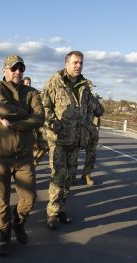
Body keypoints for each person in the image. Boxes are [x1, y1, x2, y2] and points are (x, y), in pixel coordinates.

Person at [0, 55, 44, 256]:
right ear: (4, 70)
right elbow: (0, 107)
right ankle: (4, 234)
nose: (17, 72)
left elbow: (40, 117)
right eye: (13, 68)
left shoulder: (32, 92)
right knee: (1, 199)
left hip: (24, 156)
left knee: (29, 198)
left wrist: (14, 124)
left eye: (21, 68)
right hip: (0, 154)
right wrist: (27, 114)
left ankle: (18, 222)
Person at [42, 50, 97, 229]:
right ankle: (52, 212)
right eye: (75, 62)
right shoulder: (55, 81)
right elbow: (45, 106)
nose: (78, 66)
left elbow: (89, 110)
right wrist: (54, 124)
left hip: (76, 139)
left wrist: (88, 129)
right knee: (58, 175)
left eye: (80, 63)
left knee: (69, 177)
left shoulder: (84, 85)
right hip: (58, 139)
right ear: (66, 64)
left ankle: (62, 208)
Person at [82, 89, 105, 185]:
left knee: (91, 154)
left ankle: (86, 175)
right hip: (73, 128)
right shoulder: (70, 95)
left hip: (89, 129)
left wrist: (94, 100)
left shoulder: (91, 99)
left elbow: (100, 111)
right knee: (71, 154)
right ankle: (70, 176)